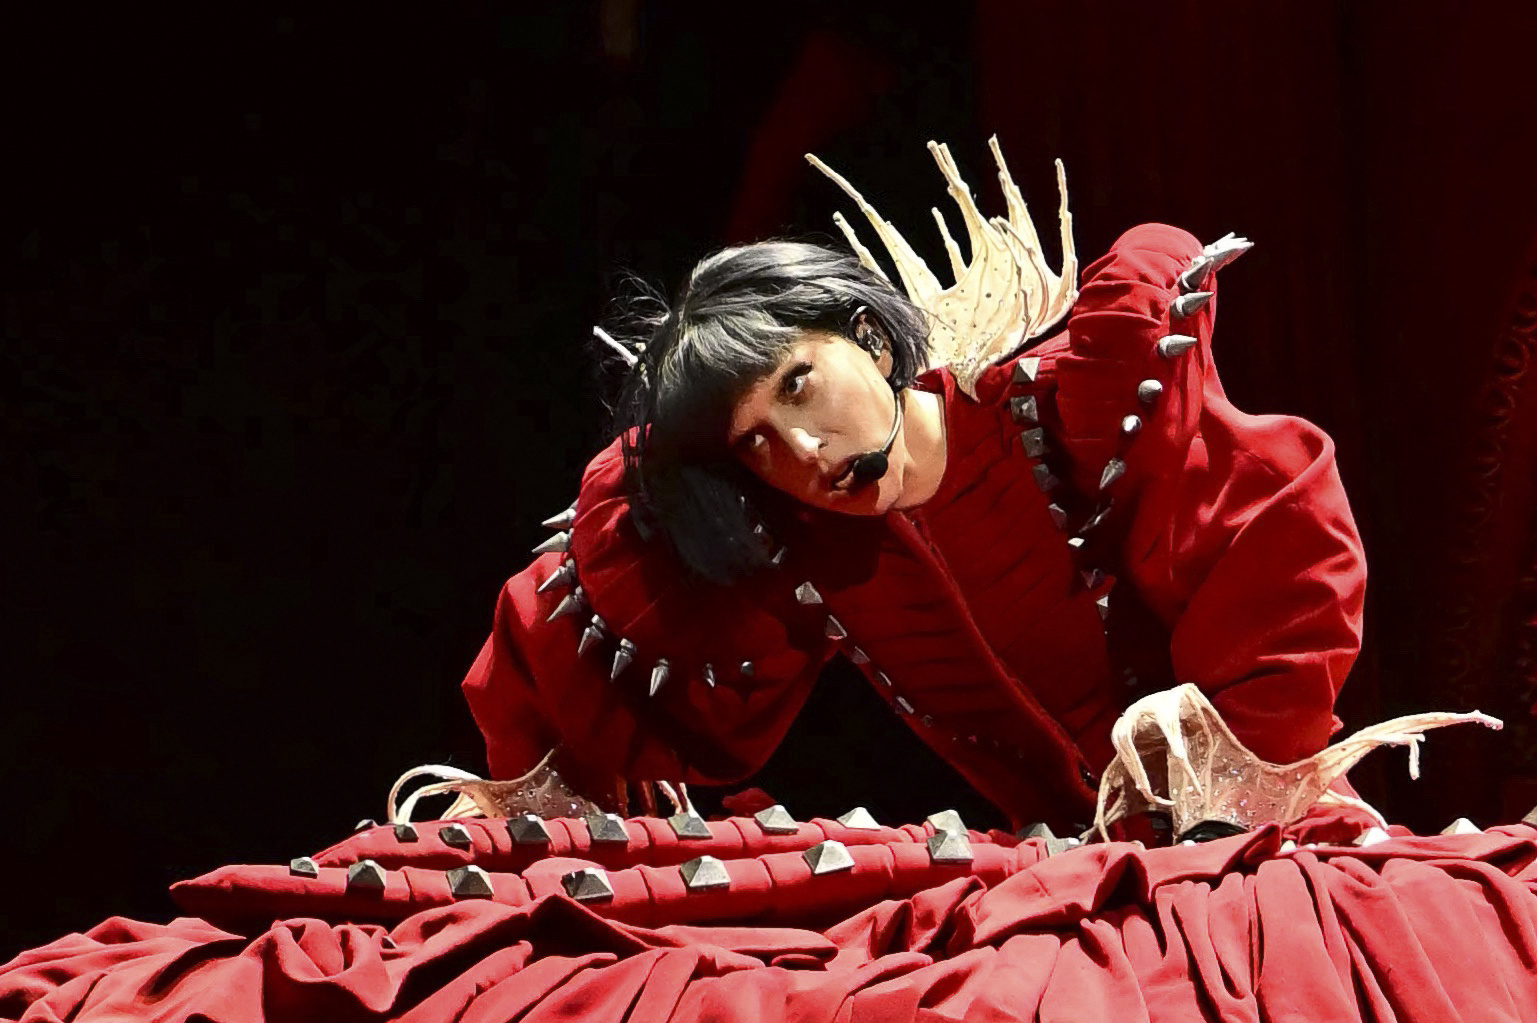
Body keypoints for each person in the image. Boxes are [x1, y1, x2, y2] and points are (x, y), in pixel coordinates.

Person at [460, 142, 1367, 835]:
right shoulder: (801, 548)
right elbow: (561, 647)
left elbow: (1280, 527)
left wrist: (1228, 783)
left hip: (1262, 836)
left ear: (869, 338)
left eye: (798, 385)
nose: (803, 447)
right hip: (1073, 882)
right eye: (755, 441)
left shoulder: (1063, 412)